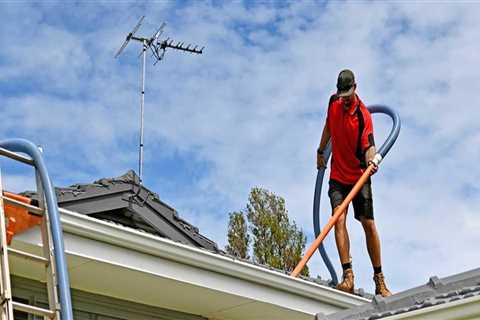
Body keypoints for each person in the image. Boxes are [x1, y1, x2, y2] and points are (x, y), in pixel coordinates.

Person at [316, 69, 392, 297]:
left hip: (359, 177)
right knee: (338, 218)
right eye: (342, 94)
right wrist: (321, 150)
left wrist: (372, 161)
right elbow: (329, 125)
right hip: (338, 176)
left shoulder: (363, 116)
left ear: (355, 88)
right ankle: (347, 275)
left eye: (348, 94)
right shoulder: (333, 102)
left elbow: (369, 146)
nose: (345, 98)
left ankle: (379, 280)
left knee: (368, 223)